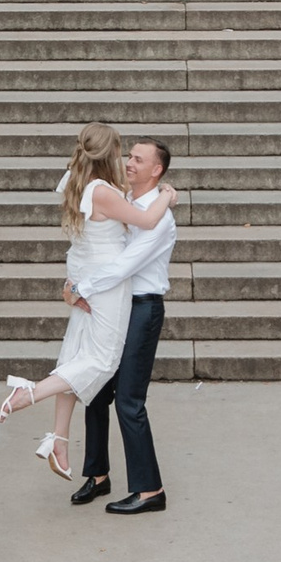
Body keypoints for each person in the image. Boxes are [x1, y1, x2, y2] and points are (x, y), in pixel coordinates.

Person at [1, 126, 135, 481]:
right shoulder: (103, 192)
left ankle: (58, 440)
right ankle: (30, 392)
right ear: (111, 155)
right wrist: (168, 195)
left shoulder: (74, 181)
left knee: (75, 359)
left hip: (82, 278)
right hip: (104, 284)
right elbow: (146, 219)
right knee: (102, 360)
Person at [73, 137, 175, 515]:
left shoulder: (159, 217)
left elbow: (123, 265)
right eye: (128, 156)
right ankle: (98, 476)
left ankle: (150, 490)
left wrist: (80, 288)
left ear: (157, 170)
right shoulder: (124, 201)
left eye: (138, 159)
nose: (128, 162)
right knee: (97, 390)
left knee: (129, 401)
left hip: (142, 310)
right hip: (114, 306)